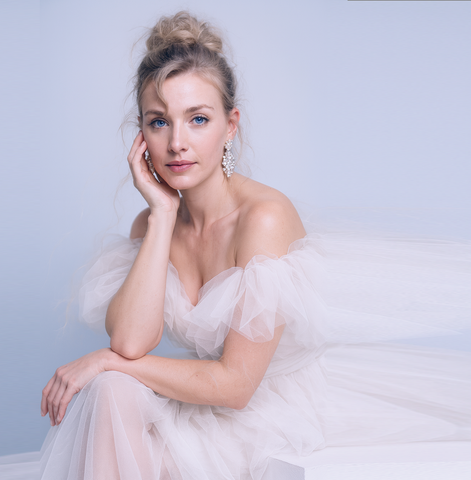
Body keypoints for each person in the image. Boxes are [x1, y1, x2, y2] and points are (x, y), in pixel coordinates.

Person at [38, 11, 471, 480]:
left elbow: (236, 386)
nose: (177, 143)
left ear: (230, 126)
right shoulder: (151, 223)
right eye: (159, 122)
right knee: (110, 391)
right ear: (141, 135)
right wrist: (161, 214)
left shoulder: (264, 219)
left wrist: (105, 361)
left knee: (113, 386)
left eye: (198, 119)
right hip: (206, 402)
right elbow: (129, 343)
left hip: (271, 409)